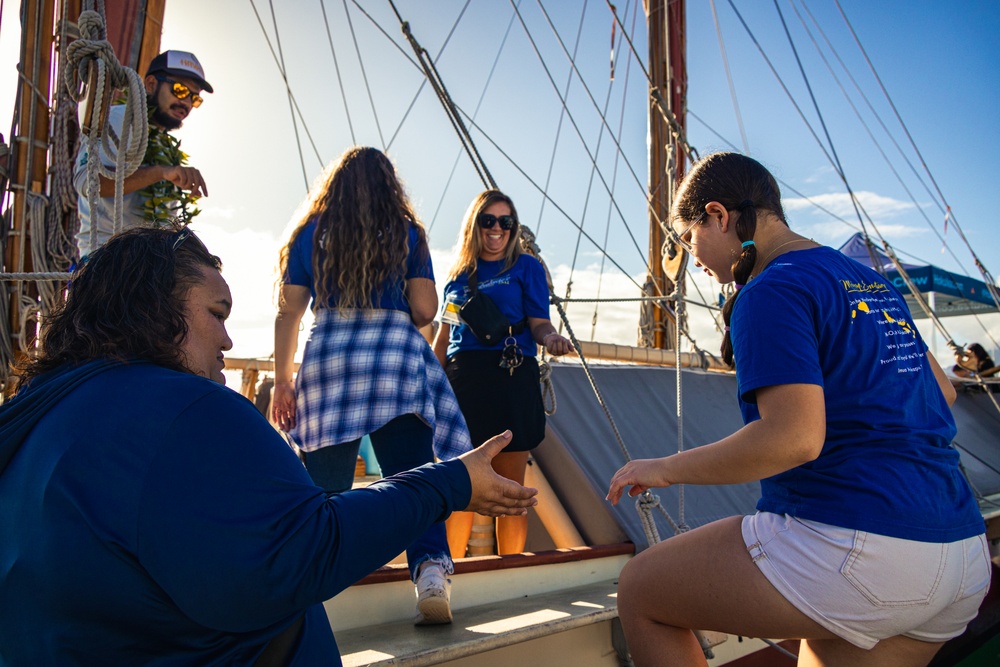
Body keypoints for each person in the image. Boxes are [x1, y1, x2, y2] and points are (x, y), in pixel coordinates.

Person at [0, 226, 537, 666]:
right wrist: (451, 481)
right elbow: (303, 552)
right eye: (217, 313)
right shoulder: (187, 410)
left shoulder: (36, 417)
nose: (228, 342)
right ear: (154, 308)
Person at [605, 152, 990, 666]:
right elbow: (940, 392)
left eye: (688, 239)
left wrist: (664, 469)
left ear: (718, 216)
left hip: (862, 546)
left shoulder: (771, 287)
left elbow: (794, 440)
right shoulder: (868, 282)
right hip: (962, 551)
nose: (693, 259)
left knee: (641, 591)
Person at [272, 146, 470, 625]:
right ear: (389, 188)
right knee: (415, 473)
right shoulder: (407, 233)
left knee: (322, 486)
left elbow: (289, 312)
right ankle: (428, 576)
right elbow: (425, 311)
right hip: (394, 361)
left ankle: (305, 588)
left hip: (330, 362)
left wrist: (282, 381)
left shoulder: (309, 233)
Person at [433, 190, 572, 557]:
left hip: (511, 375)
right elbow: (444, 337)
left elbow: (540, 323)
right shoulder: (458, 278)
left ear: (513, 227)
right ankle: (451, 575)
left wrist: (552, 338)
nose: (497, 229)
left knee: (511, 487)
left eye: (505, 222)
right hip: (465, 381)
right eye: (488, 221)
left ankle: (508, 572)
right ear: (474, 225)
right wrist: (431, 382)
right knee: (461, 485)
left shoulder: (527, 268)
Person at [74, 50, 211, 259]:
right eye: (180, 90)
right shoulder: (118, 119)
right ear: (151, 84)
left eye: (194, 98)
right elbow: (88, 183)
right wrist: (160, 173)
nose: (186, 103)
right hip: (103, 262)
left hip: (146, 272)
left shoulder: (167, 149)